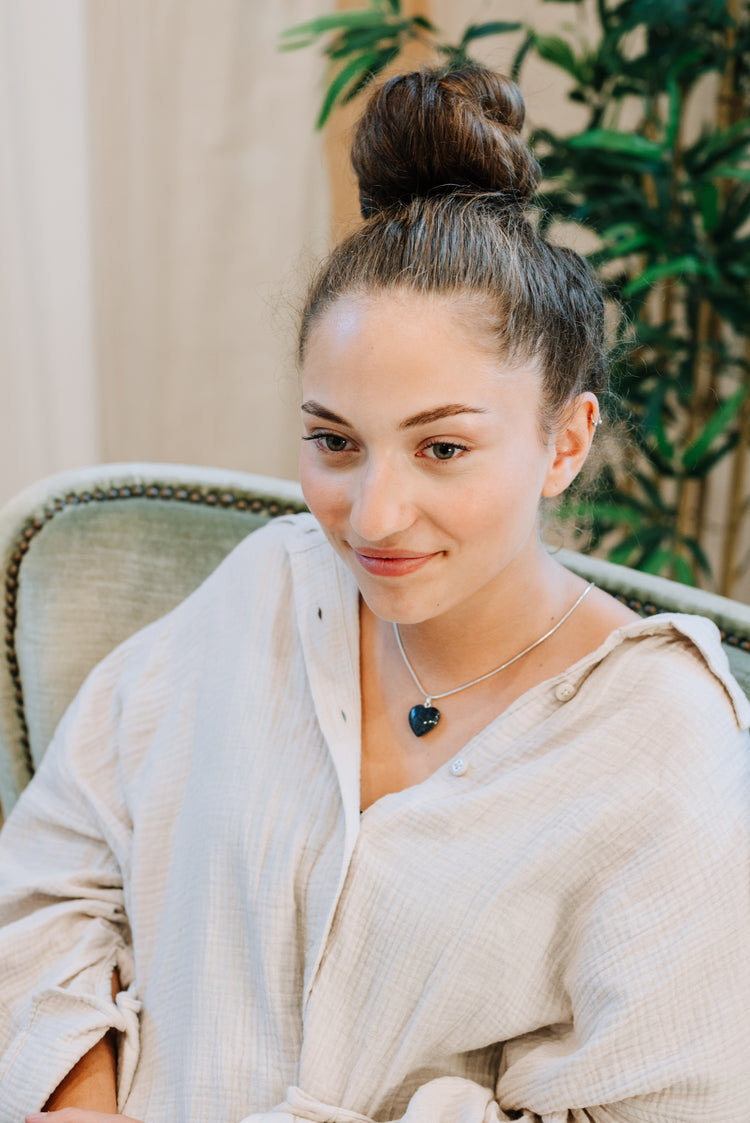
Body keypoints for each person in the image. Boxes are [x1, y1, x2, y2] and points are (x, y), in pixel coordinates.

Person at [1, 66, 748, 1123]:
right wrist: (79, 1106)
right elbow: (52, 870)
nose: (372, 515)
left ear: (564, 441)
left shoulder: (661, 744)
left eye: (443, 447)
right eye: (333, 442)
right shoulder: (269, 584)